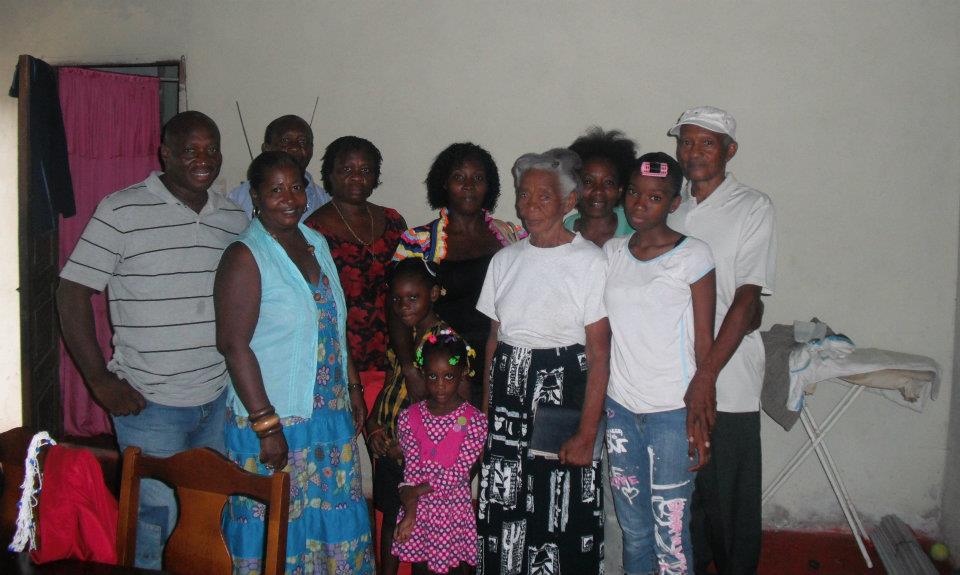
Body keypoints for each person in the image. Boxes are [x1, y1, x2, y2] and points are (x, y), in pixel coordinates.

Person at [56, 111, 248, 569]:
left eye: (211, 149)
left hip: (218, 399)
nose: (203, 159)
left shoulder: (233, 217)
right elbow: (71, 291)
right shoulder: (121, 210)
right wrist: (99, 381)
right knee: (154, 524)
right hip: (149, 402)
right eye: (190, 150)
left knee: (207, 519)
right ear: (165, 153)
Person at [215, 151, 373, 573]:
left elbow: (333, 326)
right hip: (275, 418)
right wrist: (267, 426)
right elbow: (233, 345)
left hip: (327, 415)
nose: (289, 198)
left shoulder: (314, 242)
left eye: (296, 187)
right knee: (275, 528)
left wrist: (352, 387)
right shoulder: (245, 255)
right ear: (255, 196)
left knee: (330, 524)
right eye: (276, 190)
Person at [475, 148, 610, 575]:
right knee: (505, 505)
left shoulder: (590, 262)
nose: (530, 205)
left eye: (543, 196)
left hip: (563, 391)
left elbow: (599, 352)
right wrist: (486, 415)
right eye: (524, 195)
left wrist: (588, 430)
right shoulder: (504, 260)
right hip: (508, 393)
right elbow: (494, 341)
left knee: (561, 508)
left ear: (569, 202)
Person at [666, 106, 777, 575]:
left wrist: (706, 376)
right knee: (685, 507)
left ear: (729, 151)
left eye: (706, 143)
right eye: (686, 142)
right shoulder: (672, 208)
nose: (693, 152)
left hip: (727, 381)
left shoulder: (752, 207)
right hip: (672, 378)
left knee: (729, 503)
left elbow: (748, 301)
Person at [603, 152, 717, 574]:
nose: (640, 204)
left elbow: (705, 342)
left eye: (654, 197)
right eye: (634, 192)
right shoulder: (612, 253)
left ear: (673, 203)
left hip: (672, 412)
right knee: (634, 532)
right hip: (620, 410)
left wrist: (703, 412)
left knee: (671, 536)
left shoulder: (694, 255)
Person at [393, 142, 526, 408]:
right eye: (459, 177)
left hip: (499, 365)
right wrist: (409, 368)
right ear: (444, 183)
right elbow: (395, 308)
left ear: (489, 186)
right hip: (440, 373)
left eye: (478, 178)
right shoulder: (418, 241)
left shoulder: (512, 236)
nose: (468, 186)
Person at [368, 258, 457, 575]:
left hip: (422, 456)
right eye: (397, 299)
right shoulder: (403, 336)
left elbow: (448, 407)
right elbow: (392, 384)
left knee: (421, 526)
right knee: (390, 521)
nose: (403, 306)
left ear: (433, 294)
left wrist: (412, 447)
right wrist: (373, 424)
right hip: (391, 449)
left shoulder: (444, 342)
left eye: (412, 298)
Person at [305, 136, 407, 379]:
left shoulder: (393, 221)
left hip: (394, 352)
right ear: (330, 174)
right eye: (346, 170)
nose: (357, 177)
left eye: (365, 170)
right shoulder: (313, 231)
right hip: (340, 356)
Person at [392, 328, 487, 575]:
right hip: (420, 513)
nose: (440, 385)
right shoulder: (410, 418)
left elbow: (457, 473)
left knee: (455, 569)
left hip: (452, 515)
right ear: (423, 373)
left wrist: (415, 492)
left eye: (448, 376)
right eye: (433, 377)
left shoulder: (473, 420)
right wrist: (411, 511)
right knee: (420, 569)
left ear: (462, 372)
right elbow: (411, 469)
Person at [227, 114, 330, 221]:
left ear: (311, 149)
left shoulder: (325, 201)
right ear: (266, 148)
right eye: (285, 140)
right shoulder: (238, 198)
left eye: (302, 141)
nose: (294, 148)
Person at [563, 128, 637, 247]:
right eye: (588, 181)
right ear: (575, 188)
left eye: (608, 182)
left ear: (620, 190)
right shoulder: (567, 228)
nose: (598, 191)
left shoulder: (634, 229)